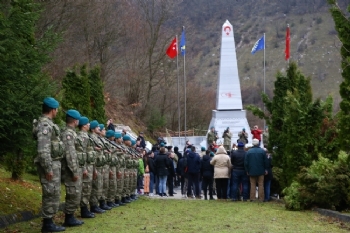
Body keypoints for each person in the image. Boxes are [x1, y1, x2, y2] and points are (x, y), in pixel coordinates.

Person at [33, 97, 66, 232]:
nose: (57, 112)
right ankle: (47, 224)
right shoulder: (45, 126)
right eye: (56, 109)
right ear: (52, 110)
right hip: (49, 165)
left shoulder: (48, 124)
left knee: (53, 193)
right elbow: (43, 149)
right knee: (49, 193)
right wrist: (48, 168)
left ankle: (50, 222)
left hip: (53, 164)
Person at [61, 109, 85, 227]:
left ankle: (71, 216)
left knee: (75, 192)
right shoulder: (68, 134)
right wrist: (74, 171)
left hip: (75, 168)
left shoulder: (72, 133)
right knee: (72, 192)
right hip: (70, 169)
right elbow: (70, 154)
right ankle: (68, 218)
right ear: (75, 121)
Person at [77, 116, 95, 218]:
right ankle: (84, 210)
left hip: (89, 166)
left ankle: (85, 209)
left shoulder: (86, 136)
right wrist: (84, 168)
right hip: (86, 166)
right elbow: (82, 154)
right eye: (88, 123)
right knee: (85, 188)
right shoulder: (82, 137)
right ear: (84, 125)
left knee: (87, 188)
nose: (89, 125)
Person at [89, 120, 108, 213]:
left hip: (101, 165)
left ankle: (97, 204)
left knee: (99, 186)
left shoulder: (97, 138)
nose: (100, 129)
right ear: (93, 129)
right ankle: (94, 205)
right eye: (97, 127)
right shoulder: (92, 138)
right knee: (96, 186)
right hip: (95, 165)